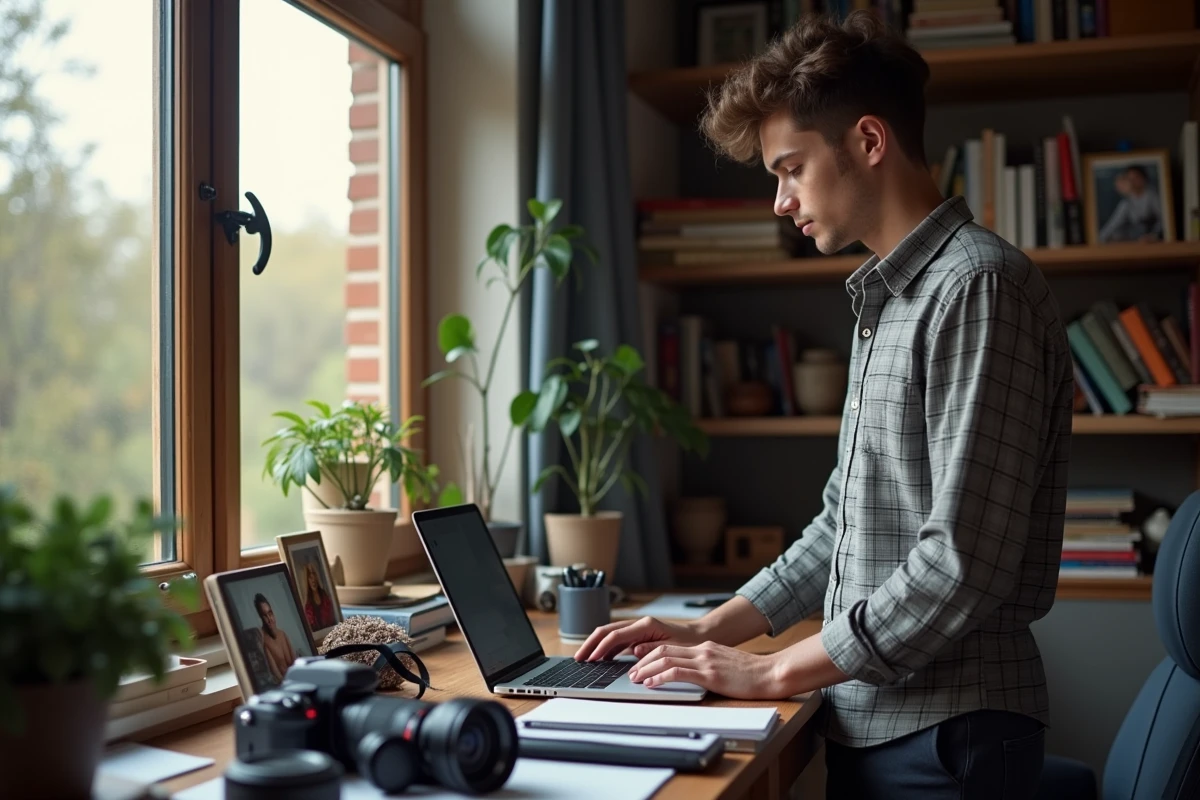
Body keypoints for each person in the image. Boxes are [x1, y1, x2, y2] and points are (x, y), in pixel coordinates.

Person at [574, 11, 1072, 799]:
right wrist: (709, 630)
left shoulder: (977, 287)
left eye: (791, 169)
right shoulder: (890, 297)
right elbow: (845, 523)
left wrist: (772, 670)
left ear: (869, 142)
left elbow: (960, 566)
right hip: (880, 717)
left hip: (950, 737)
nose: (780, 200)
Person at [1098, 164, 1162, 243]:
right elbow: (1113, 223)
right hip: (1138, 239)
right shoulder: (1127, 202)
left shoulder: (1152, 195)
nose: (1133, 182)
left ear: (1144, 178)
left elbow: (1163, 220)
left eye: (1136, 178)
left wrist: (1154, 235)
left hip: (1156, 238)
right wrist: (1099, 239)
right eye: (1130, 179)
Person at [254, 592, 298, 685]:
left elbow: (296, 662)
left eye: (270, 613)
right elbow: (277, 676)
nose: (270, 619)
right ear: (260, 618)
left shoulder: (283, 634)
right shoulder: (264, 642)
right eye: (264, 616)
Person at [302, 561, 337, 631]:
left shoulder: (325, 595)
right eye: (310, 577)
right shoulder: (308, 604)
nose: (313, 580)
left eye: (314, 575)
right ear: (307, 581)